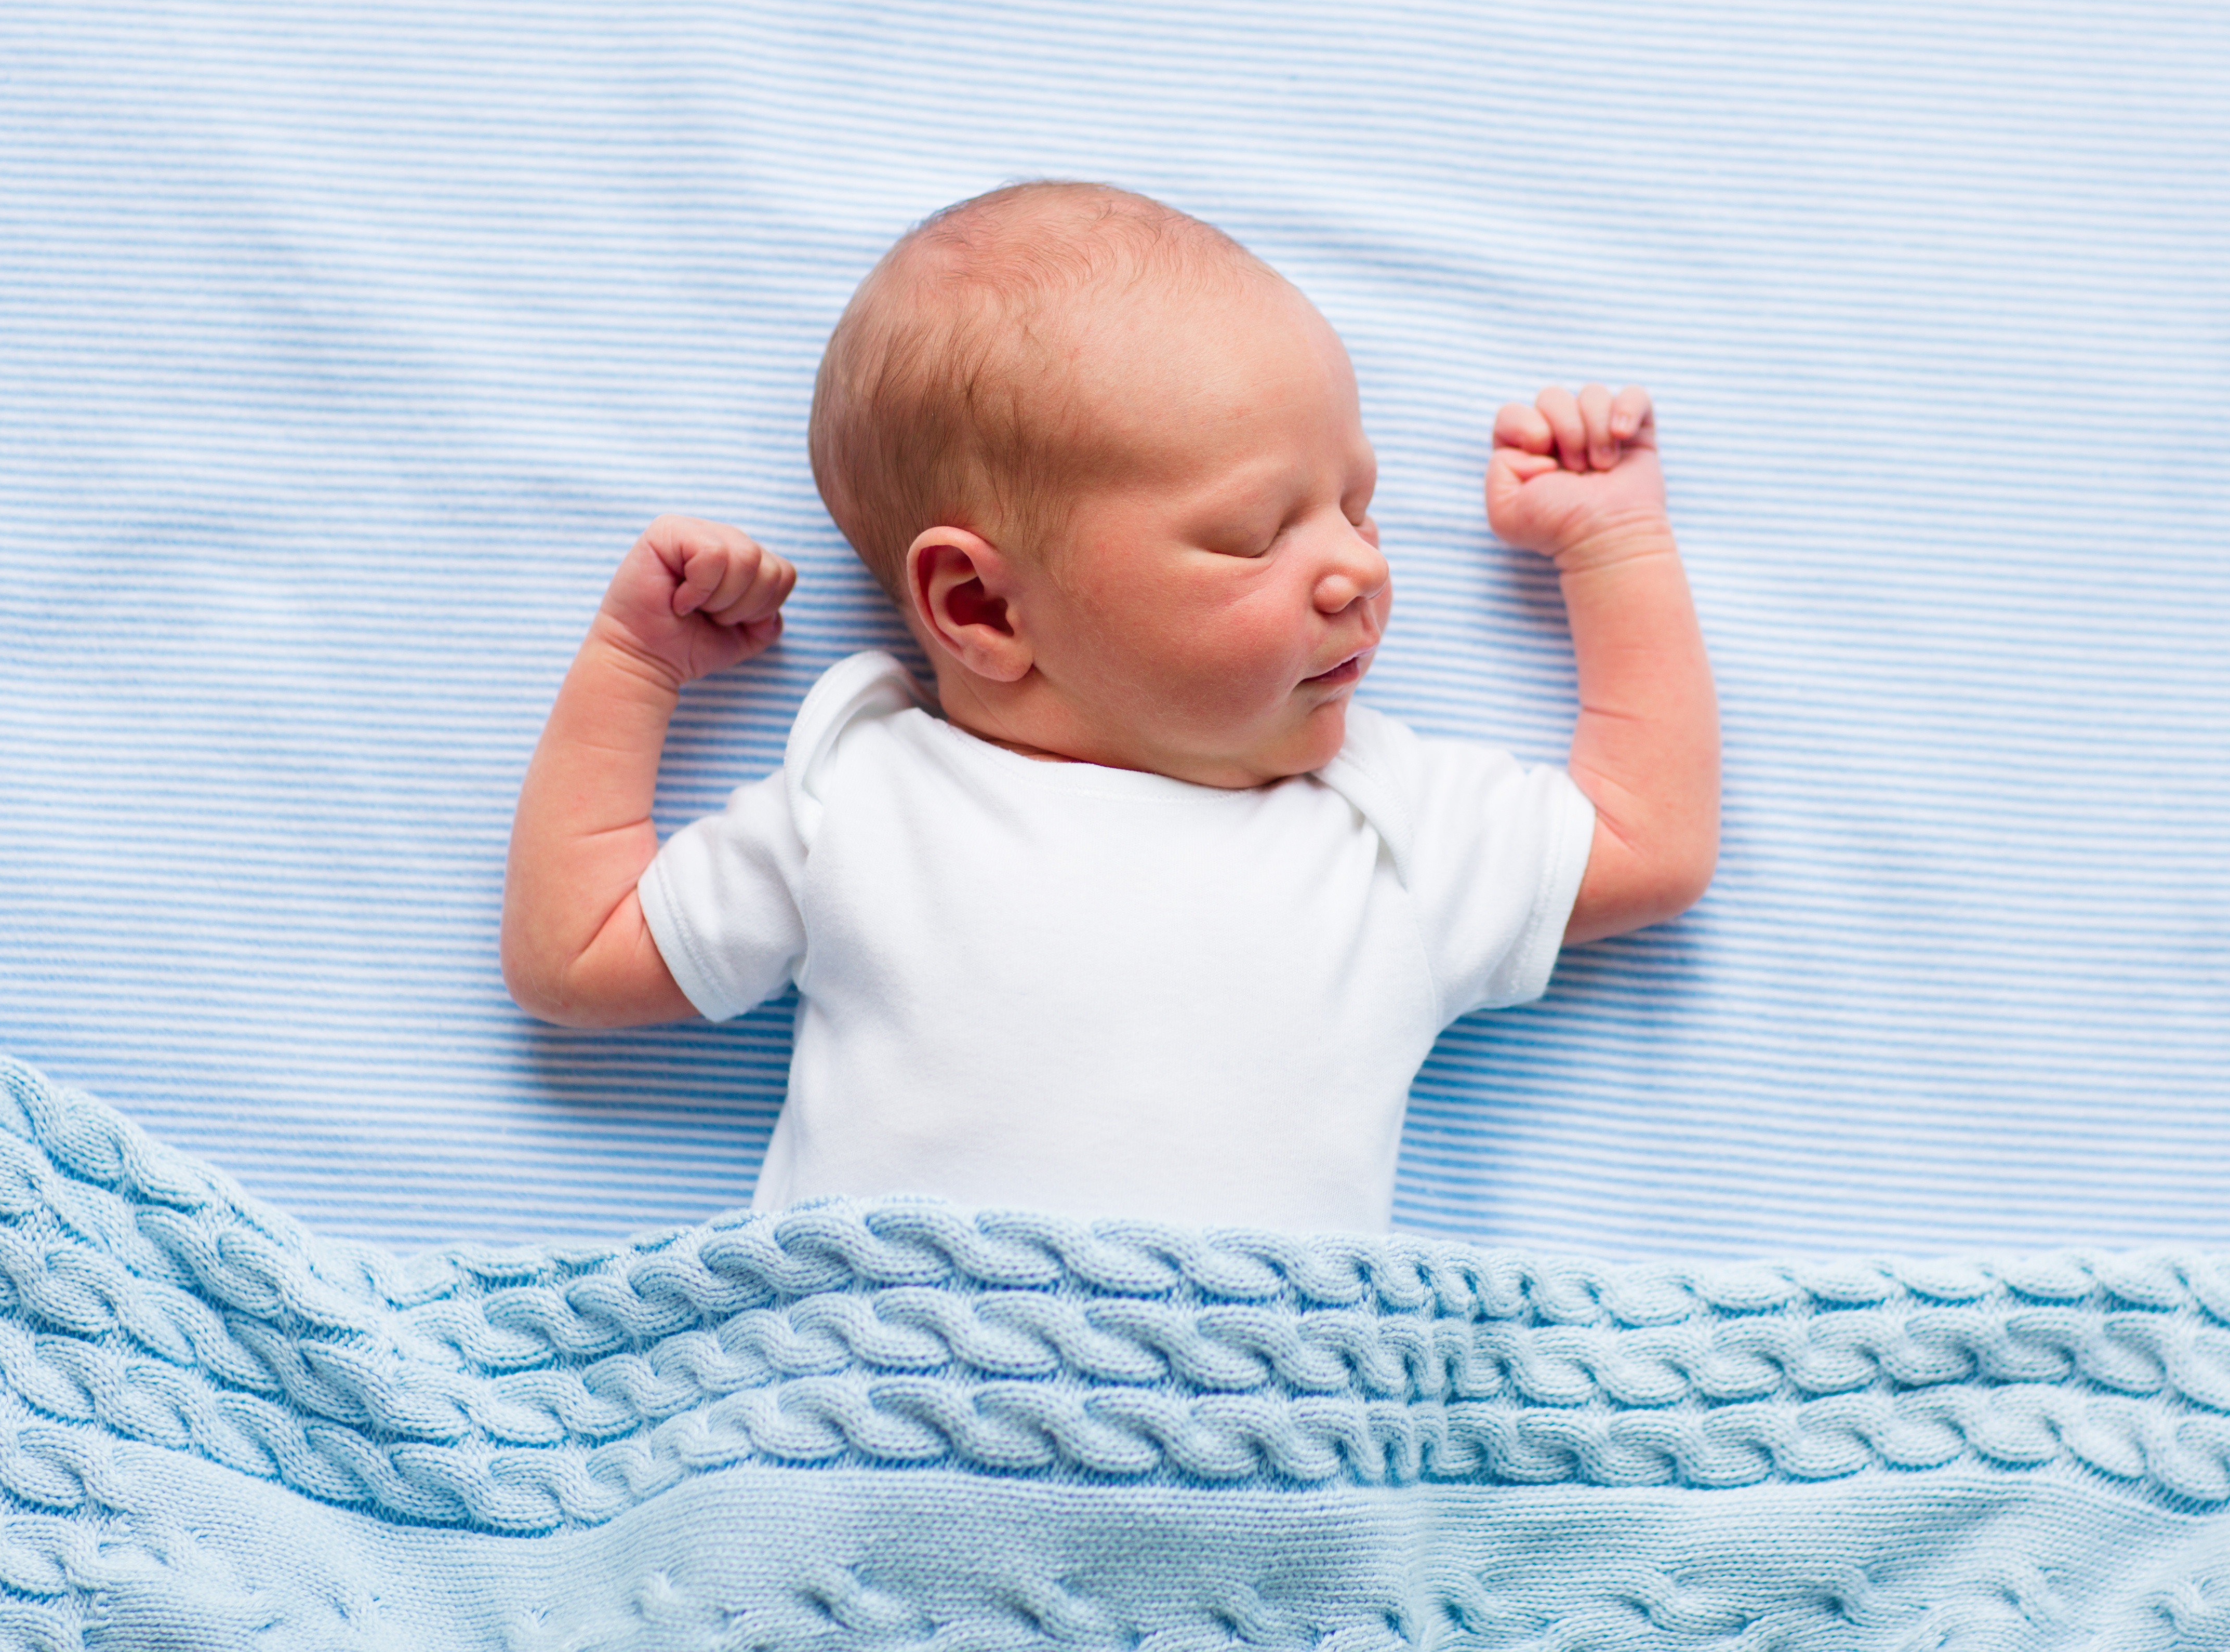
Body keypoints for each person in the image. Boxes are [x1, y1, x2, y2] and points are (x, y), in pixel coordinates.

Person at [500, 182, 1718, 1232]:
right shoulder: (869, 800)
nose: (1358, 568)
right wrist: (634, 667)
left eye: (1358, 505)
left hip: (1260, 1477)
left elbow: (1647, 841)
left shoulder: (1389, 825)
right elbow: (575, 957)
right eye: (1256, 536)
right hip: (879, 1447)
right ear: (980, 605)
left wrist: (1613, 553)